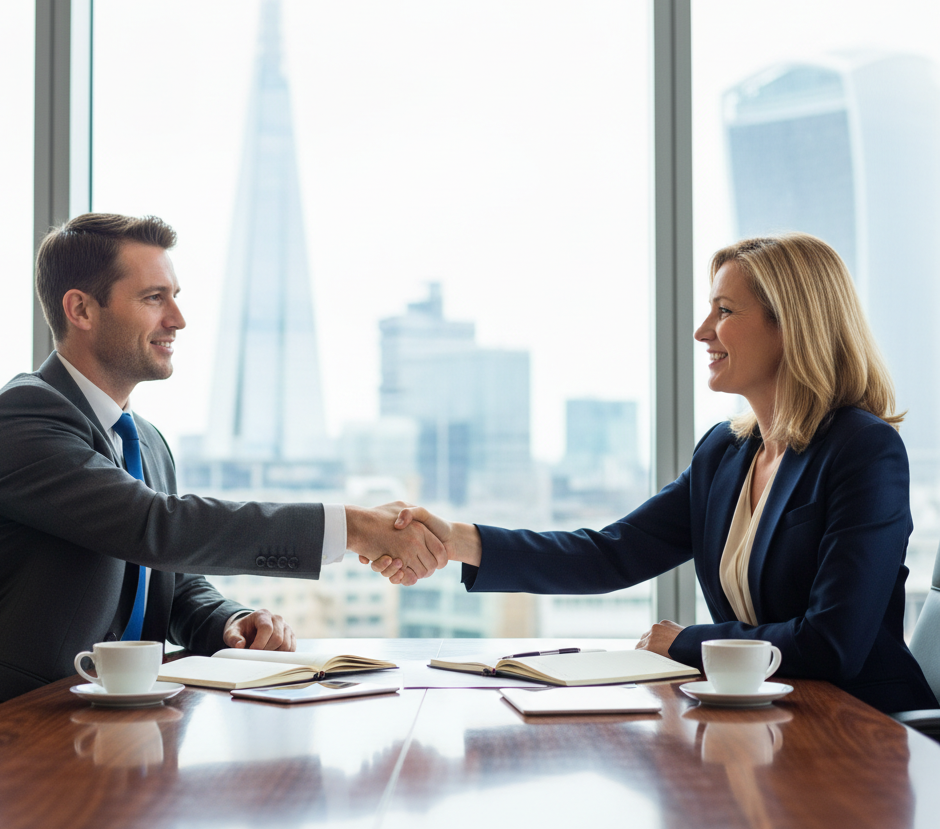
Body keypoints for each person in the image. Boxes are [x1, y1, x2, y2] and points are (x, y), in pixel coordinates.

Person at [383, 233, 939, 714]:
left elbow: (832, 643)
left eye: (724, 311)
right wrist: (455, 540)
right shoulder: (725, 452)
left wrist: (685, 642)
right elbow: (611, 553)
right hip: (767, 719)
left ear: (790, 325)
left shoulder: (863, 449)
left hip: (867, 731)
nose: (702, 332)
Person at [0, 213, 443, 717]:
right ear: (81, 309)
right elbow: (156, 528)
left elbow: (168, 579)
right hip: (14, 723)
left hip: (129, 718)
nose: (177, 319)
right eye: (154, 298)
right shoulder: (21, 417)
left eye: (175, 297)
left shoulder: (146, 442)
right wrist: (351, 527)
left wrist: (230, 621)